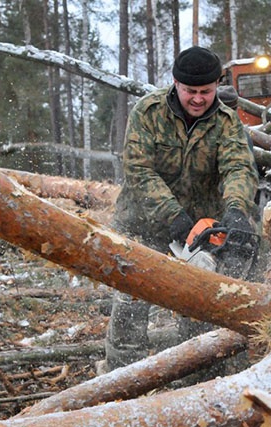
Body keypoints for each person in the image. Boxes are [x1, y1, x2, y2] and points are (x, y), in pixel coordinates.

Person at [104, 46, 259, 370]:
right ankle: (119, 378)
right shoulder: (148, 113)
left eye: (206, 91)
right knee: (132, 299)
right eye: (191, 91)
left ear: (216, 86)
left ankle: (196, 376)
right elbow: (138, 170)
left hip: (198, 230)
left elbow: (238, 168)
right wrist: (171, 214)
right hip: (143, 221)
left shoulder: (227, 122)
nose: (199, 99)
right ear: (176, 83)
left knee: (198, 302)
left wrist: (235, 209)